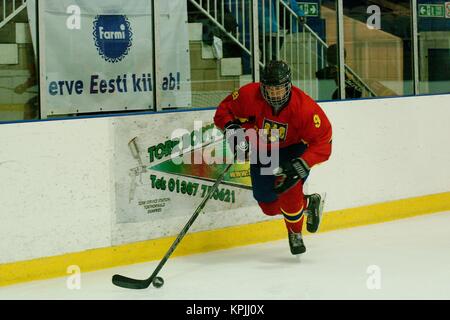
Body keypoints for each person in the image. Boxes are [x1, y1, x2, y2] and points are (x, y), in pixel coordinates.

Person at [214, 60, 332, 255]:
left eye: (279, 89)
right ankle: (308, 205)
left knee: (287, 187)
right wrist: (233, 130)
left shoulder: (305, 109)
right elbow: (224, 110)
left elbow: (323, 142)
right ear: (262, 86)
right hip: (264, 147)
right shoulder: (248, 95)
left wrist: (303, 163)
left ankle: (295, 233)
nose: (275, 94)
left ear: (288, 86)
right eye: (270, 89)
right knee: (268, 204)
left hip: (293, 150)